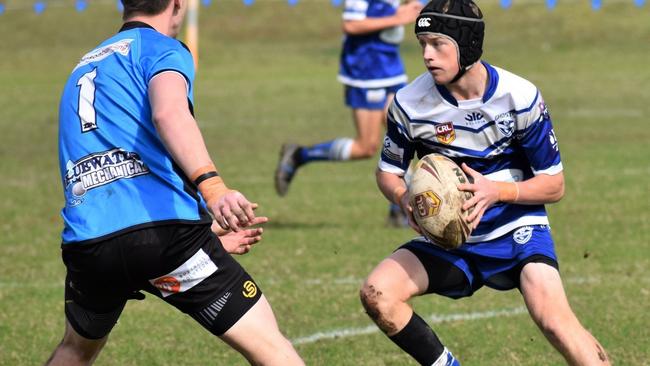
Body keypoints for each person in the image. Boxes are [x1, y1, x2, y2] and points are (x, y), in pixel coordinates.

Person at [46, 1, 304, 365]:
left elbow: (122, 168)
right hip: (164, 240)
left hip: (90, 244)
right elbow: (168, 112)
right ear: (178, 3)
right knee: (272, 348)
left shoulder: (83, 66)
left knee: (76, 349)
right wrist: (212, 188)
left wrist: (204, 230)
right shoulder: (162, 49)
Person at [359, 0, 611, 365]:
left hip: (516, 227)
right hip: (448, 235)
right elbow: (388, 171)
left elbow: (554, 186)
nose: (427, 55)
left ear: (468, 45)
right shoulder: (410, 104)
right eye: (422, 44)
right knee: (377, 293)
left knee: (555, 322)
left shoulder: (519, 97)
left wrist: (497, 192)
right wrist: (403, 199)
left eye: (438, 43)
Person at [274, 0, 423, 226]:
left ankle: (399, 209)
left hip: (391, 67)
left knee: (404, 134)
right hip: (366, 71)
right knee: (367, 147)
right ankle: (299, 155)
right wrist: (397, 19)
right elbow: (351, 25)